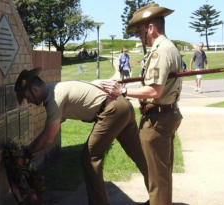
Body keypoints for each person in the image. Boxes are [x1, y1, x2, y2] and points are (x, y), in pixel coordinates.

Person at [14, 68, 148, 205]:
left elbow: (48, 137)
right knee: (139, 154)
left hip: (112, 110)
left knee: (89, 157)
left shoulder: (53, 98)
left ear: (35, 90)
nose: (29, 102)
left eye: (27, 97)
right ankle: (159, 198)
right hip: (123, 106)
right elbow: (55, 123)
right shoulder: (56, 88)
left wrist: (27, 151)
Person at [100, 3, 183, 205]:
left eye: (139, 31)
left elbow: (155, 91)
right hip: (163, 115)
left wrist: (123, 91)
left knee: (156, 176)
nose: (138, 36)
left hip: (158, 118)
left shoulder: (161, 51)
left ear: (151, 28)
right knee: (160, 173)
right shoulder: (166, 47)